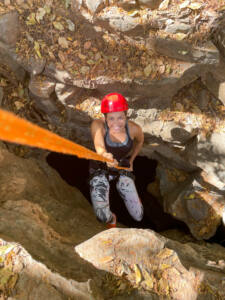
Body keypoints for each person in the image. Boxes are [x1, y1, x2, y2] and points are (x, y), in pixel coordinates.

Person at [89, 92, 144, 228]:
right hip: (100, 168)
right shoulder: (98, 126)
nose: (116, 123)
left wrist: (131, 160)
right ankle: (111, 219)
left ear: (126, 115)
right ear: (105, 117)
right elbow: (99, 146)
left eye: (120, 118)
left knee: (138, 215)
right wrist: (104, 155)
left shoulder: (134, 129)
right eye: (111, 118)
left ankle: (133, 196)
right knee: (102, 216)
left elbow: (140, 142)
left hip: (121, 167)